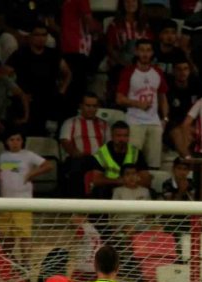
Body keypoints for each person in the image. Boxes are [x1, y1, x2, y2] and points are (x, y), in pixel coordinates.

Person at [5, 23, 71, 136]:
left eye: (44, 35)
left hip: (49, 100)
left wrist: (62, 91)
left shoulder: (53, 54)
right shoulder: (20, 54)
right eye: (37, 35)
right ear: (30, 36)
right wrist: (19, 93)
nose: (41, 38)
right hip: (29, 101)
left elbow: (68, 73)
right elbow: (5, 75)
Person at [116, 39, 169, 170]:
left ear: (152, 53)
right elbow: (119, 99)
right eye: (142, 50)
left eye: (148, 50)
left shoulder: (157, 72)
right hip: (135, 121)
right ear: (136, 52)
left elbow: (163, 97)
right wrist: (138, 104)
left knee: (154, 163)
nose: (145, 54)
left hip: (154, 122)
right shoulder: (128, 72)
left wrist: (165, 118)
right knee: (132, 161)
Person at [60, 93, 108, 198]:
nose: (91, 109)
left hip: (99, 160)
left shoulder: (104, 124)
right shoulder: (70, 122)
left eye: (94, 106)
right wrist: (74, 152)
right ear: (81, 106)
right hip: (78, 158)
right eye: (88, 106)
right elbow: (65, 142)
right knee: (76, 166)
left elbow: (108, 144)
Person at [90, 121, 152, 198]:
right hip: (109, 188)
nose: (122, 139)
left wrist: (131, 181)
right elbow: (97, 180)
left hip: (132, 187)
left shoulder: (136, 153)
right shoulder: (101, 153)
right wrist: (118, 181)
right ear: (112, 136)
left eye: (125, 136)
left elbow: (146, 179)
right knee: (99, 191)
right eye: (118, 136)